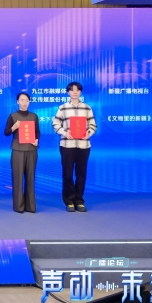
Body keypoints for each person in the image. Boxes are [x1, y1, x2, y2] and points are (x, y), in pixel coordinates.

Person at [52, 82, 97, 212]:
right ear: (68, 92)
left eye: (77, 90)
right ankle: (69, 201)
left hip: (84, 145)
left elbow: (93, 125)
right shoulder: (63, 108)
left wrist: (88, 133)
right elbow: (55, 124)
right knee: (67, 173)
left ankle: (79, 200)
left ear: (80, 92)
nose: (75, 92)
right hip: (67, 145)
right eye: (72, 90)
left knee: (81, 174)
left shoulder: (87, 108)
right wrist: (65, 132)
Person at [4, 92, 40, 213]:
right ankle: (18, 206)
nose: (24, 102)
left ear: (29, 102)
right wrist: (14, 127)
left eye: (27, 100)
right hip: (18, 150)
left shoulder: (34, 116)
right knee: (17, 178)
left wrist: (36, 140)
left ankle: (30, 206)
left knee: (30, 178)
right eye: (22, 100)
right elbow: (6, 132)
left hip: (31, 150)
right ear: (17, 102)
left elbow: (37, 132)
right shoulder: (13, 116)